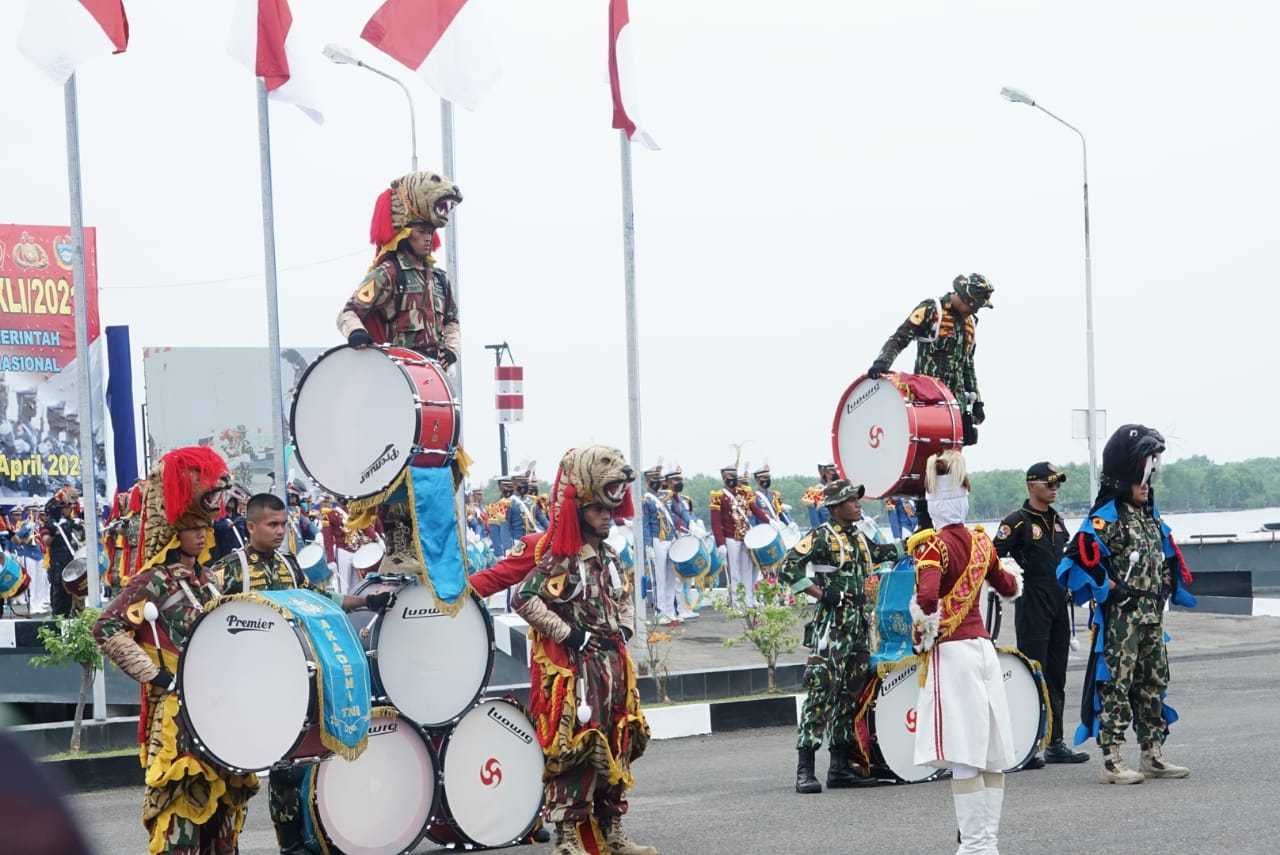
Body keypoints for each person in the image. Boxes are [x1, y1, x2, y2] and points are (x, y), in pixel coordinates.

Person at [93, 447, 260, 854]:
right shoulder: (153, 580)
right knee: (181, 819)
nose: (202, 533)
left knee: (224, 820)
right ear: (174, 529)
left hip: (218, 710)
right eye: (192, 526)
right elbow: (107, 627)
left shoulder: (212, 579)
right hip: (175, 717)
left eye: (205, 525)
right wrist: (156, 675)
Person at [210, 493, 395, 854]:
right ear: (250, 526)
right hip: (244, 685)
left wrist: (365, 601)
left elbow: (319, 598)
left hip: (290, 677)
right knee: (236, 775)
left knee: (290, 763)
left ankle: (292, 842)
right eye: (272, 524)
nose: (280, 531)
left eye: (283, 524)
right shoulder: (227, 571)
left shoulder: (290, 565)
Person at [513, 445, 653, 855]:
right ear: (581, 513)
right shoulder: (563, 558)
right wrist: (570, 635)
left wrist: (625, 628)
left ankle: (613, 830)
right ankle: (567, 837)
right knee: (577, 746)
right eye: (597, 511)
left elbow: (624, 596)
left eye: (609, 511)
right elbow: (523, 598)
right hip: (583, 668)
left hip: (615, 666)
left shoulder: (610, 556)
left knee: (618, 741)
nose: (607, 517)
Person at [1057, 424, 1195, 785]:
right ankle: (1111, 759)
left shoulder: (1149, 515)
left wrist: (1166, 584)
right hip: (1121, 620)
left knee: (1153, 681)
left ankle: (1152, 753)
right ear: (1124, 477)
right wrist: (1109, 587)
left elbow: (1164, 555)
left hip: (1152, 617)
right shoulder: (1109, 518)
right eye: (1142, 477)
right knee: (1116, 685)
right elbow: (1079, 556)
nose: (1147, 484)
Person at [909, 450, 1022, 854]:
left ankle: (974, 847)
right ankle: (987, 844)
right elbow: (1008, 587)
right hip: (984, 651)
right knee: (990, 752)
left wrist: (922, 624)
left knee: (963, 754)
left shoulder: (932, 547)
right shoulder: (980, 543)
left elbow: (926, 599)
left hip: (953, 655)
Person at [781, 479, 902, 794]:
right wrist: (822, 594)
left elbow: (882, 553)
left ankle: (839, 768)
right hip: (832, 627)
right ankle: (805, 769)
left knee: (850, 695)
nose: (858, 504)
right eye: (851, 500)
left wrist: (918, 541)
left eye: (858, 499)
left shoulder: (860, 537)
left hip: (859, 627)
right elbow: (788, 568)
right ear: (835, 506)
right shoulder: (821, 537)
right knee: (821, 694)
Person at [993, 462, 1088, 768]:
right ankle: (1027, 745)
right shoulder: (1017, 522)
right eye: (1049, 484)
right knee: (1032, 674)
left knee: (1056, 676)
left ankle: (1055, 742)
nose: (1055, 488)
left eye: (1057, 483)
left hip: (1059, 603)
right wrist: (1010, 582)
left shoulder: (1058, 521)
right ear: (1032, 485)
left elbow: (1070, 557)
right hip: (1032, 602)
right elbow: (993, 556)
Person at [336, 170, 462, 366]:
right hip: (400, 371)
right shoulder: (389, 273)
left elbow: (452, 320)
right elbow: (348, 313)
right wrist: (356, 332)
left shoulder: (439, 278)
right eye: (421, 232)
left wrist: (452, 349)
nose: (427, 237)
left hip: (435, 371)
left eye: (430, 232)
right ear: (405, 234)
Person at [867, 273, 994, 448]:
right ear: (965, 298)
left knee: (954, 455)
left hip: (956, 403)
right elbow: (900, 337)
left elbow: (968, 363)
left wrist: (977, 401)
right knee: (928, 451)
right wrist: (882, 362)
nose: (976, 311)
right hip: (927, 399)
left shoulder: (971, 322)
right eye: (975, 305)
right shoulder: (932, 309)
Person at [709, 465, 767, 606]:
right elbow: (716, 523)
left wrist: (769, 520)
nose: (733, 480)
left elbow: (755, 510)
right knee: (734, 573)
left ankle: (747, 600)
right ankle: (735, 602)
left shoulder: (743, 493)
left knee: (747, 571)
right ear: (724, 478)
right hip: (730, 538)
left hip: (745, 538)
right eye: (730, 477)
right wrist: (720, 543)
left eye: (735, 477)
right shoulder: (718, 497)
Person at [641, 464, 680, 625]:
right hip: (658, 539)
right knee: (660, 578)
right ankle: (660, 611)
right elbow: (645, 524)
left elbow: (679, 512)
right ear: (648, 480)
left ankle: (670, 611)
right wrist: (647, 545)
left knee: (671, 577)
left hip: (670, 538)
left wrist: (691, 523)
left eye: (659, 478)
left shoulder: (665, 497)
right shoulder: (646, 499)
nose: (658, 481)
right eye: (654, 479)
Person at [40, 488, 84, 617]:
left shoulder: (69, 521)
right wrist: (54, 530)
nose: (69, 509)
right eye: (65, 507)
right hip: (57, 563)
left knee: (71, 593)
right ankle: (57, 621)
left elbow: (82, 535)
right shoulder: (49, 524)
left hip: (71, 560)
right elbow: (46, 541)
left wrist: (81, 525)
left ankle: (69, 619)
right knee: (59, 593)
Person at [801, 463, 839, 528]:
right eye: (832, 472)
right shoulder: (814, 492)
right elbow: (815, 523)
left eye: (835, 471)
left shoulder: (839, 488)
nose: (835, 474)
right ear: (822, 473)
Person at [211, 495, 247, 560]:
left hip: (240, 550)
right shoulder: (219, 517)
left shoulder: (238, 516)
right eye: (230, 501)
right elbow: (219, 527)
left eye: (233, 501)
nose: (232, 503)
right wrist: (234, 523)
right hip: (226, 552)